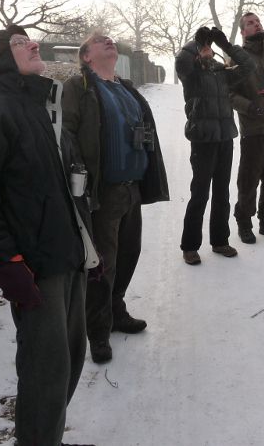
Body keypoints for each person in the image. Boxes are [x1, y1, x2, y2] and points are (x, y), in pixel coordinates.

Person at [0, 25, 99, 445]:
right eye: (18, 43)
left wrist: (86, 248)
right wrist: (6, 262)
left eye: (29, 39)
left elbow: (66, 189)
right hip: (34, 266)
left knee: (70, 360)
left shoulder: (43, 109)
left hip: (67, 256)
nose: (33, 44)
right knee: (45, 371)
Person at [62, 31, 169, 364]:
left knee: (128, 255)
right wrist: (79, 177)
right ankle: (97, 330)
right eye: (99, 41)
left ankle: (116, 309)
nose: (108, 42)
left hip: (131, 187)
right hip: (103, 192)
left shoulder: (126, 88)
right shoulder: (79, 87)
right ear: (86, 56)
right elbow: (68, 135)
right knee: (102, 265)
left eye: (109, 40)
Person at [175, 26, 256, 265]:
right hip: (202, 139)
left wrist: (226, 45)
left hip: (225, 138)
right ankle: (190, 246)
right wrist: (195, 46)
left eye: (210, 47)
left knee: (222, 192)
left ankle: (220, 241)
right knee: (199, 193)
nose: (208, 51)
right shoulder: (190, 74)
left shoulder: (222, 72)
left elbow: (248, 66)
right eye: (204, 47)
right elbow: (182, 62)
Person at [228, 12, 264, 244]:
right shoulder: (237, 58)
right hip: (253, 128)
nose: (257, 25)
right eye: (250, 23)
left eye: (258, 21)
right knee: (249, 180)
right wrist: (249, 107)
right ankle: (244, 223)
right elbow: (228, 93)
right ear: (243, 32)